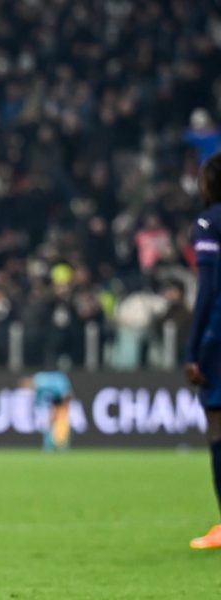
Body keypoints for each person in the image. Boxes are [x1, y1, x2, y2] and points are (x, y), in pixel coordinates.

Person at [185, 151, 221, 550]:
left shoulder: (209, 222)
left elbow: (208, 290)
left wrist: (193, 349)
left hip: (218, 334)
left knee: (218, 425)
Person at [24, 371, 73, 451]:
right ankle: (52, 445)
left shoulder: (43, 381)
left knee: (59, 424)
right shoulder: (40, 383)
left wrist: (59, 407)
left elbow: (65, 394)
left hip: (58, 404)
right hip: (53, 404)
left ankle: (58, 444)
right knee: (50, 425)